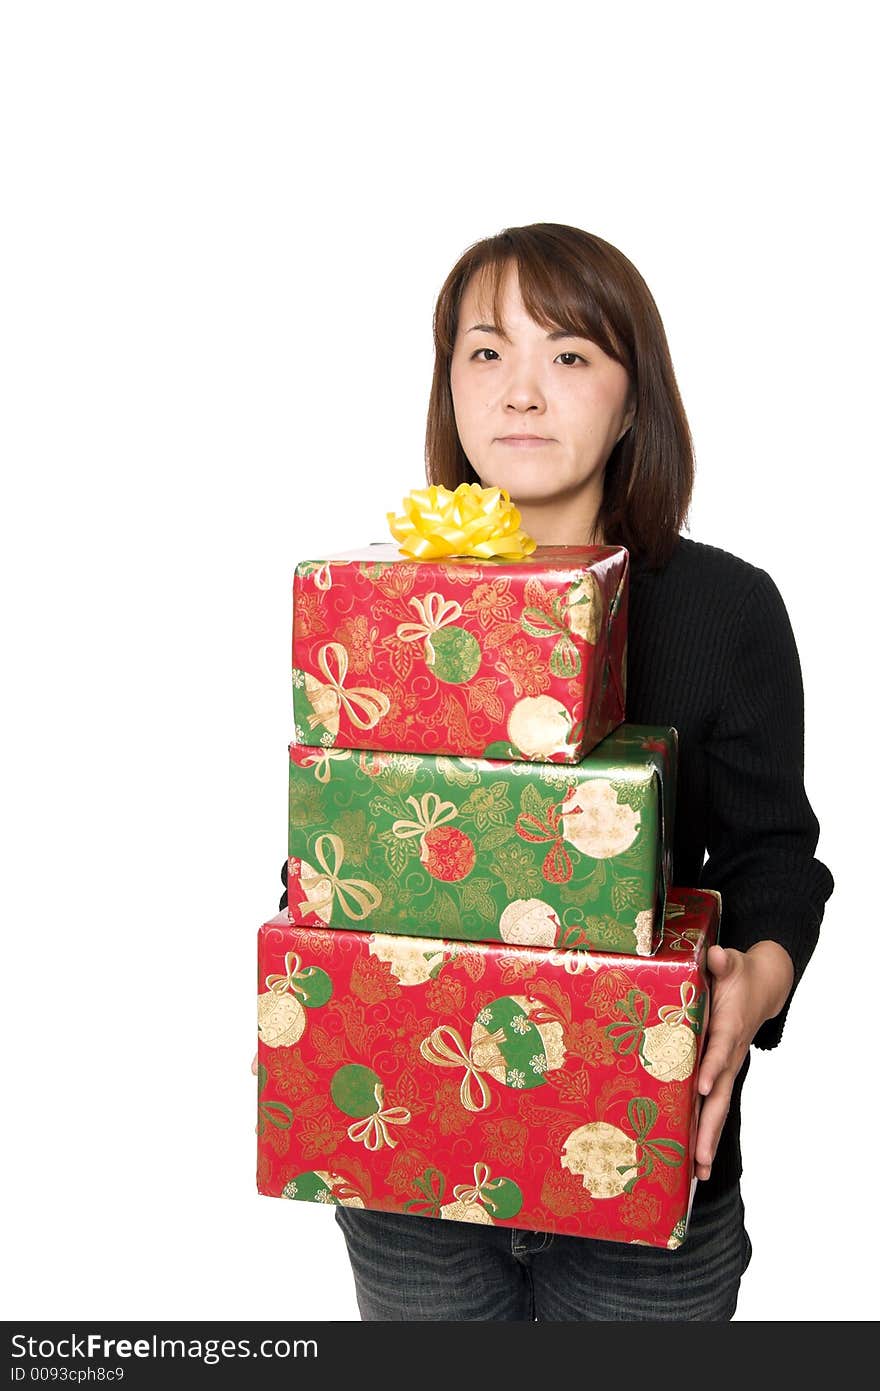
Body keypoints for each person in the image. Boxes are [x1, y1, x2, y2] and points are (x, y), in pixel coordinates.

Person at [272, 223, 834, 1321]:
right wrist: (315, 966)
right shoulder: (389, 606)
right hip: (414, 1171)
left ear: (633, 400)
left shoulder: (725, 607)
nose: (521, 391)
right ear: (449, 389)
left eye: (568, 354)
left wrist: (753, 980)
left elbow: (776, 856)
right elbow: (334, 832)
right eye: (486, 352)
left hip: (645, 1158)